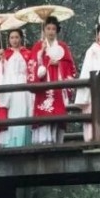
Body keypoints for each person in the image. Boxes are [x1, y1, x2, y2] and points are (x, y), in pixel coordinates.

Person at [31, 15, 76, 145]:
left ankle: (57, 142)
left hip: (58, 85)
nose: (50, 31)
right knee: (44, 112)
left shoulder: (63, 46)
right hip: (43, 85)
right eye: (48, 28)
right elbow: (32, 65)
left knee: (57, 113)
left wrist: (59, 64)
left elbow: (71, 67)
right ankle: (43, 142)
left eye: (53, 29)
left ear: (57, 31)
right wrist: (41, 55)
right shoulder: (38, 46)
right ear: (44, 30)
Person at [0, 27, 33, 148]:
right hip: (10, 84)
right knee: (12, 113)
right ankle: (12, 143)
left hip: (25, 84)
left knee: (25, 111)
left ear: (21, 38)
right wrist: (1, 61)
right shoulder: (5, 54)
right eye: (12, 37)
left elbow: (31, 69)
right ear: (8, 39)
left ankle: (25, 142)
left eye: (17, 37)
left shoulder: (27, 53)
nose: (14, 40)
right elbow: (2, 72)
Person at [74, 20, 100, 142]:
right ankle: (92, 138)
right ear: (97, 35)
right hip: (94, 88)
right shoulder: (92, 51)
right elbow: (86, 70)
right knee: (93, 111)